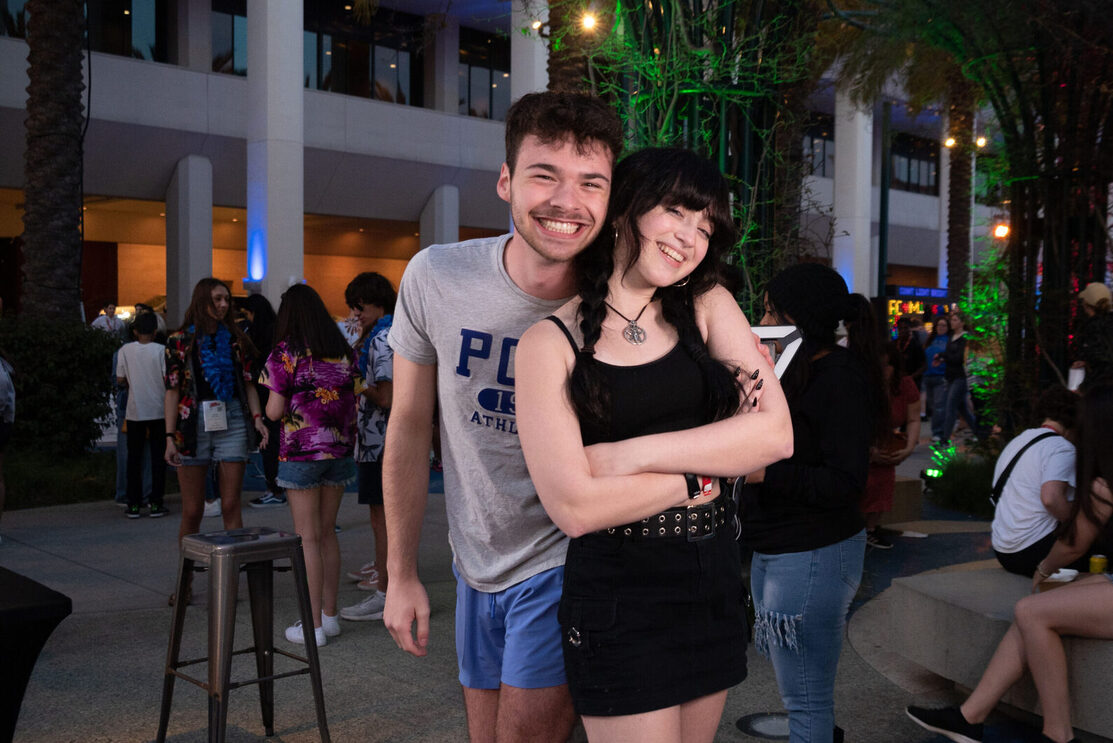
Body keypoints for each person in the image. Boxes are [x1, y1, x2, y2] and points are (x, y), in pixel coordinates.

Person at [514, 147, 792, 740]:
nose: (690, 237)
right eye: (676, 212)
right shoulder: (549, 343)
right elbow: (576, 507)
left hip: (712, 579)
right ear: (625, 210)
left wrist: (626, 456)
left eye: (706, 226)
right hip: (620, 596)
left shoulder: (708, 304)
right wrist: (702, 475)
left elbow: (776, 434)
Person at [382, 91, 624, 743]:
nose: (568, 202)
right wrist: (400, 572)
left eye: (591, 183)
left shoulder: (624, 302)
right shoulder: (437, 275)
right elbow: (409, 424)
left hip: (569, 558)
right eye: (545, 175)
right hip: (476, 561)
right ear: (505, 181)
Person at [906, 382, 1113, 743]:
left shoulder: (1102, 485)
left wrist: (1043, 570)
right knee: (1036, 608)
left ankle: (1059, 736)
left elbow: (1073, 544)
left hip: (1032, 556)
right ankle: (969, 718)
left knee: (1031, 611)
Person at [741, 262, 888, 743]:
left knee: (806, 700)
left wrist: (765, 472)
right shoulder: (792, 368)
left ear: (798, 317)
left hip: (814, 552)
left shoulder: (839, 377)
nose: (762, 320)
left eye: (770, 311)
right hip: (778, 547)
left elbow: (845, 481)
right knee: (799, 692)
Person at [261, 284, 362, 647]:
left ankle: (312, 626)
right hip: (339, 452)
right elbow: (356, 398)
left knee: (307, 539)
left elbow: (274, 411)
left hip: (302, 453)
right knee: (327, 533)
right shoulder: (343, 351)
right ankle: (330, 617)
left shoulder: (285, 352)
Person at [164, 278, 268, 604]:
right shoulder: (179, 341)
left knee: (231, 504)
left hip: (232, 419)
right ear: (201, 301)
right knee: (193, 509)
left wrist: (257, 418)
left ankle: (228, 586)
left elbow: (249, 383)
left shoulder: (237, 339)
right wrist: (169, 436)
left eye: (226, 299)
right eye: (216, 299)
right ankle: (185, 584)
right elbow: (172, 390)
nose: (223, 305)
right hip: (191, 422)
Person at [340, 272, 397, 621]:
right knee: (383, 517)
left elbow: (387, 397)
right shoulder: (381, 335)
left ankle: (386, 591)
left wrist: (355, 378)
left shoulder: (383, 339)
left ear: (379, 304)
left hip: (382, 441)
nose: (355, 314)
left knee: (383, 518)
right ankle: (383, 573)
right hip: (378, 440)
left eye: (360, 307)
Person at [991, 385, 1086, 577]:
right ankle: (1058, 589)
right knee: (1099, 552)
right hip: (1035, 552)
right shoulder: (1062, 448)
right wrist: (1079, 526)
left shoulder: (1019, 441)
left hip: (1003, 550)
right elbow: (1051, 498)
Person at [862, 341, 921, 549]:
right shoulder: (862, 384)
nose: (883, 371)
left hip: (887, 443)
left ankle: (870, 529)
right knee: (864, 487)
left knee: (882, 487)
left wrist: (909, 447)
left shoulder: (904, 385)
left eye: (887, 366)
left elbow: (914, 418)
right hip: (862, 441)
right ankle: (857, 530)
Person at [116, 311, 168, 518]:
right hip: (159, 410)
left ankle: (133, 504)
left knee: (134, 459)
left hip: (134, 411)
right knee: (158, 458)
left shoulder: (125, 350)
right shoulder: (162, 350)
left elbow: (120, 379)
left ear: (135, 331)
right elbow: (166, 377)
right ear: (155, 331)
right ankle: (156, 503)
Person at [241, 293, 285, 509]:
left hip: (263, 393)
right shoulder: (278, 331)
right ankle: (279, 486)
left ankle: (274, 489)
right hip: (280, 393)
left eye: (247, 314)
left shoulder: (254, 336)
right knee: (277, 440)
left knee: (268, 441)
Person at [941, 310, 977, 445]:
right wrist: (942, 356)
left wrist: (945, 357)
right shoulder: (951, 336)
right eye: (952, 320)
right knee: (962, 408)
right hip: (951, 375)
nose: (952, 322)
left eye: (955, 320)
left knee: (950, 406)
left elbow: (960, 357)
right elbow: (949, 354)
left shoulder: (965, 338)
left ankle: (945, 438)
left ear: (962, 323)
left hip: (960, 376)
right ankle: (978, 431)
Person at [1071, 282, 1113, 389]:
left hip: (1100, 388)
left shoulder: (1093, 328)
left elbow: (1102, 361)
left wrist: (1084, 388)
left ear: (1086, 304)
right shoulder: (1108, 324)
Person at [922, 315, 950, 440]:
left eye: (944, 325)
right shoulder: (930, 340)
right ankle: (938, 430)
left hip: (941, 376)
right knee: (933, 406)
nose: (941, 327)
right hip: (928, 376)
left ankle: (938, 432)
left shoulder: (949, 340)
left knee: (939, 405)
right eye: (939, 325)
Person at [896, 316, 926, 390]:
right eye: (900, 328)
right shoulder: (894, 345)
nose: (903, 331)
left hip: (913, 384)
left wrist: (911, 377)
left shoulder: (916, 345)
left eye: (905, 328)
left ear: (910, 329)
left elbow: (924, 365)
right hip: (897, 383)